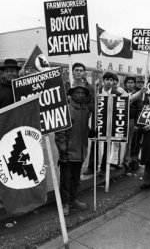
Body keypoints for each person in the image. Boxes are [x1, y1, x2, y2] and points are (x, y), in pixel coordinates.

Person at [55, 80, 91, 216]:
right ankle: (64, 203)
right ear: (72, 93)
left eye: (82, 93)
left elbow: (84, 127)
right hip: (68, 153)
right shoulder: (66, 109)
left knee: (76, 179)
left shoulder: (85, 109)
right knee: (66, 180)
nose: (80, 95)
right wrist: (62, 150)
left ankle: (73, 200)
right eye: (78, 92)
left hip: (81, 152)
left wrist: (90, 131)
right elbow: (60, 133)